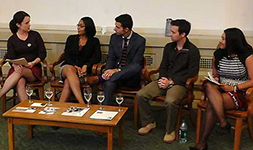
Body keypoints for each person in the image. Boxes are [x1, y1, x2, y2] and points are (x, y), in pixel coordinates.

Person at [137, 19, 200, 143]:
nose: (170, 34)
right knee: (141, 94)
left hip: (180, 84)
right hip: (165, 80)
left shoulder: (193, 50)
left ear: (183, 34)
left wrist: (172, 82)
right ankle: (149, 122)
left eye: (173, 32)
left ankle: (170, 130)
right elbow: (163, 66)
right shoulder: (169, 47)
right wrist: (163, 78)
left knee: (170, 100)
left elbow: (192, 73)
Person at [189, 28, 253, 150]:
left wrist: (234, 87)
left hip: (239, 92)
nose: (220, 41)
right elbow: (216, 75)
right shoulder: (218, 54)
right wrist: (216, 79)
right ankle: (223, 122)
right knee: (208, 85)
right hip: (220, 89)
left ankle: (202, 143)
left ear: (232, 41)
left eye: (223, 38)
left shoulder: (247, 56)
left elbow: (252, 80)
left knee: (211, 105)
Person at [87, 14, 145, 105]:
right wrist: (107, 72)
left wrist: (117, 70)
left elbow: (136, 64)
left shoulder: (140, 40)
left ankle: (101, 78)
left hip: (130, 77)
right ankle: (106, 111)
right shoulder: (114, 38)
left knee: (136, 67)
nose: (114, 29)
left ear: (126, 29)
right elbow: (111, 58)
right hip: (114, 77)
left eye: (117, 27)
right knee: (109, 83)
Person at [0, 11, 47, 101]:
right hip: (17, 68)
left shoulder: (35, 35)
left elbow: (42, 54)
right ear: (18, 24)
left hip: (33, 69)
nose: (29, 25)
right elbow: (11, 57)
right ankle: (26, 109)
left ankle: (1, 94)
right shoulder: (12, 39)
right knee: (20, 82)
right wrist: (15, 65)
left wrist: (33, 63)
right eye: (26, 23)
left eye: (29, 22)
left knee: (20, 71)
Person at [59, 17, 101, 104]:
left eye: (81, 26)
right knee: (69, 70)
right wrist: (75, 66)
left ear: (88, 27)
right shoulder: (71, 38)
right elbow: (66, 56)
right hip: (68, 67)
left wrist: (86, 65)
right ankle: (82, 103)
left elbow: (97, 57)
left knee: (68, 81)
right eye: (78, 25)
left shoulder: (94, 41)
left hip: (83, 72)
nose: (78, 28)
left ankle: (59, 106)